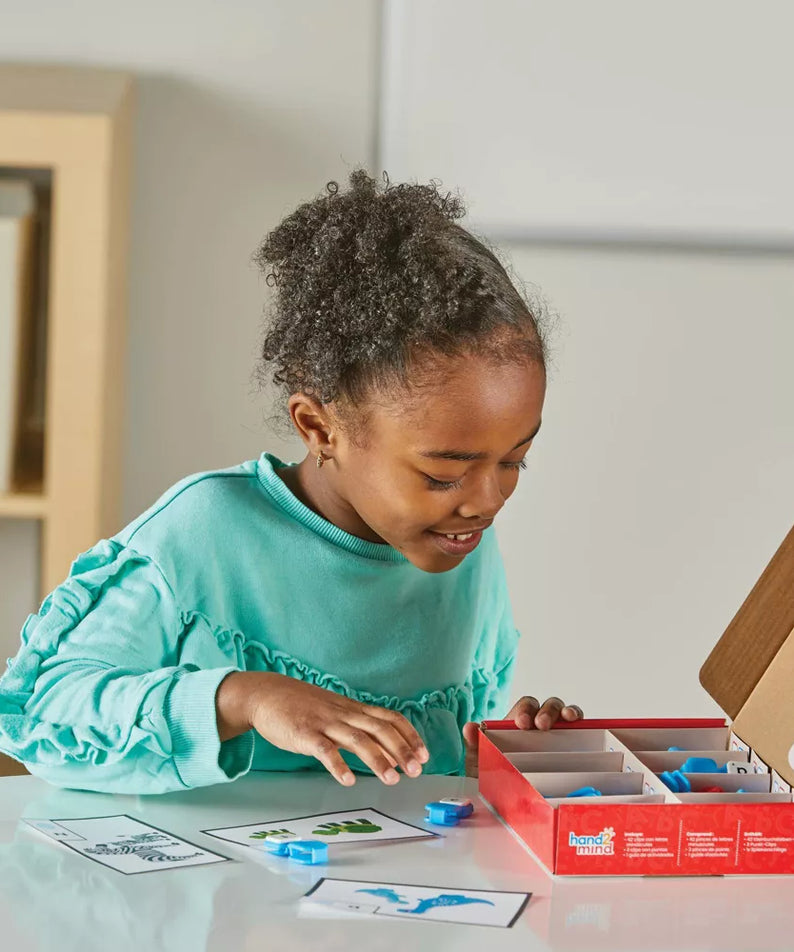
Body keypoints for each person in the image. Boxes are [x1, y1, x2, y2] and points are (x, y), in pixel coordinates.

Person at [0, 172, 582, 795]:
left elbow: (425, 765)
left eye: (515, 460)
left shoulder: (456, 543)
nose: (487, 500)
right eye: (443, 474)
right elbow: (41, 713)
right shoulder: (205, 533)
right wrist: (242, 698)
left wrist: (495, 750)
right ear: (319, 427)